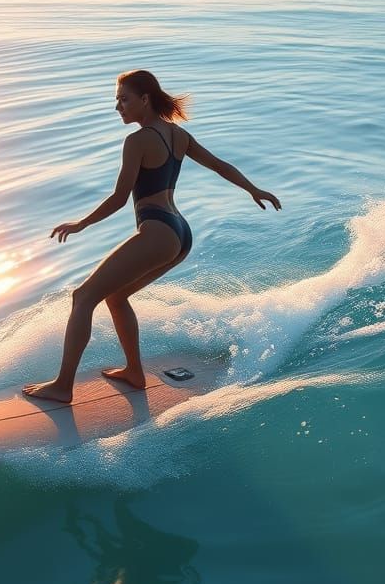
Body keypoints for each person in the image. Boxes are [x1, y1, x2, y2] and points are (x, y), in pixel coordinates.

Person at [22, 69, 281, 404]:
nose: (118, 107)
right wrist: (253, 189)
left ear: (145, 99)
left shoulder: (138, 140)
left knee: (83, 297)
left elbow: (119, 197)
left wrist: (81, 224)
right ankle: (134, 371)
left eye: (124, 99)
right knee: (115, 297)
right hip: (180, 233)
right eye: (117, 100)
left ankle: (62, 386)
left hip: (158, 231)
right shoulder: (178, 135)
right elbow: (220, 165)